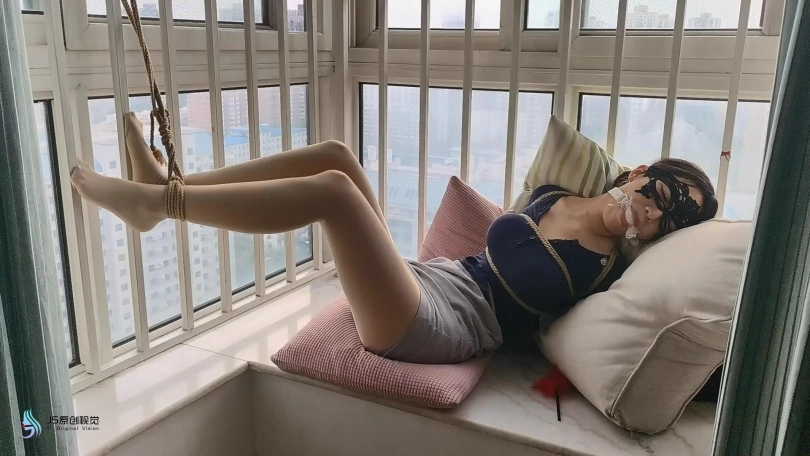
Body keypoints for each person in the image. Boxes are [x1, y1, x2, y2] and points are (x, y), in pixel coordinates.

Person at [71, 113, 718, 365]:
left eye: (669, 221)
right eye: (659, 196)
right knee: (336, 154)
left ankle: (158, 206)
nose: (650, 216)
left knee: (334, 192)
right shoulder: (554, 193)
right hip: (432, 277)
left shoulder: (606, 270)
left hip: (441, 327)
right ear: (638, 173)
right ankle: (168, 187)